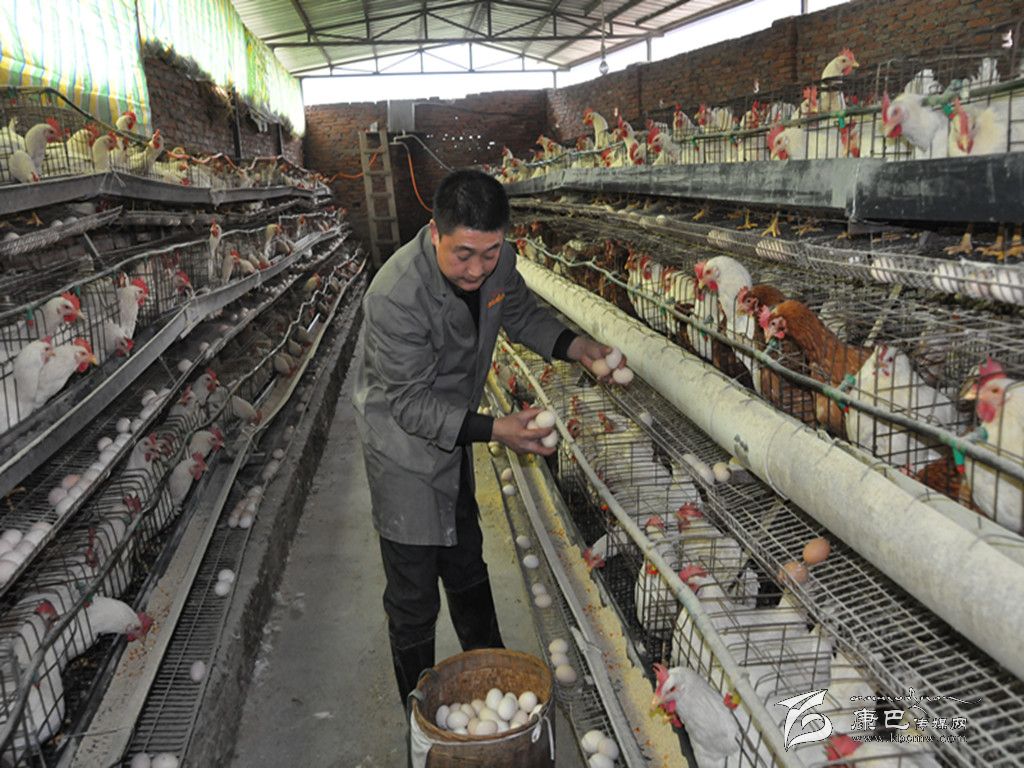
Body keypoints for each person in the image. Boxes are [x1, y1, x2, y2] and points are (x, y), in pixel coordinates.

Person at [351, 169, 619, 705]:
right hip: (402, 448)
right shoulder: (395, 295)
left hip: (455, 434)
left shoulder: (500, 264)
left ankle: (490, 674)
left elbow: (520, 313)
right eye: (464, 254)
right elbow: (409, 405)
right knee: (413, 591)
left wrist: (575, 346)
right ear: (435, 233)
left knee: (466, 555)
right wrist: (498, 430)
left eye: (490, 252)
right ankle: (420, 714)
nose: (477, 269)